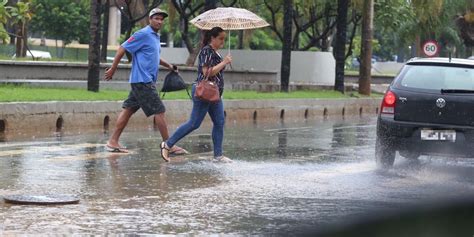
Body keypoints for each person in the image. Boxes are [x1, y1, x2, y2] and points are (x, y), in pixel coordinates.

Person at [104, 8, 187, 156]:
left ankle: (113, 141)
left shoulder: (155, 37)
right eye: (157, 18)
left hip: (140, 81)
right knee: (159, 110)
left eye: (162, 19)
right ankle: (168, 145)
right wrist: (113, 68)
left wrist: (170, 66)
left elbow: (154, 56)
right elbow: (123, 47)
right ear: (150, 19)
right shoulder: (143, 34)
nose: (160, 21)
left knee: (128, 110)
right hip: (143, 81)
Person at [160, 27, 232, 163]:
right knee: (194, 123)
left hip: (215, 93)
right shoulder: (206, 51)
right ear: (212, 38)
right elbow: (206, 73)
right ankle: (167, 144)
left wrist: (224, 62)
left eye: (224, 39)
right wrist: (224, 63)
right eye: (220, 38)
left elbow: (217, 71)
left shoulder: (217, 53)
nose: (223, 41)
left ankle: (218, 155)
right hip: (204, 91)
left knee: (219, 122)